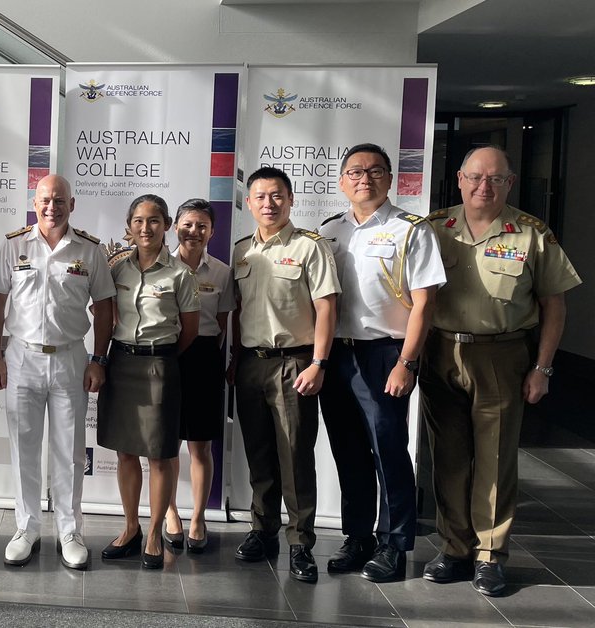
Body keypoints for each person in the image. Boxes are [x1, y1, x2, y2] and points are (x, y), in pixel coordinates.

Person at [420, 146, 581, 597]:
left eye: (494, 179)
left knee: (494, 457)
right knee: (448, 456)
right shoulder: (433, 229)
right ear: (459, 179)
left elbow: (555, 306)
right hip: (442, 352)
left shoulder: (531, 234)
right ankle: (454, 548)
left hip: (503, 355)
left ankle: (490, 554)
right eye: (475, 177)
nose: (483, 187)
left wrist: (542, 368)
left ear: (509, 182)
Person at [316, 143, 445, 582]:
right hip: (335, 355)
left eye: (374, 171)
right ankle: (358, 537)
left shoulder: (411, 229)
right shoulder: (329, 231)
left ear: (390, 179)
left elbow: (425, 304)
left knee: (389, 449)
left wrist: (407, 363)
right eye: (354, 171)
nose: (363, 178)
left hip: (384, 354)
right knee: (348, 450)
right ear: (341, 180)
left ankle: (394, 543)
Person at [0, 174, 114, 571]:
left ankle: (69, 531)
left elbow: (106, 309)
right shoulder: (13, 245)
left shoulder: (90, 251)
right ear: (34, 202)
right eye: (45, 199)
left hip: (70, 358)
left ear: (72, 205)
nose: (51, 207)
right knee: (24, 448)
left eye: (59, 200)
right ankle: (26, 528)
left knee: (70, 452)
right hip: (22, 357)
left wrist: (99, 359)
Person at [231, 166, 340, 583]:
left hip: (295, 363)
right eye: (259, 197)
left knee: (295, 457)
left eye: (276, 196)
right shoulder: (243, 251)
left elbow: (327, 307)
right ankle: (263, 531)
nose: (268, 204)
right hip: (251, 364)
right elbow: (237, 312)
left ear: (290, 199)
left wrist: (319, 362)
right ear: (249, 203)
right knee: (259, 454)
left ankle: (300, 543)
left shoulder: (310, 247)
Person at [97, 194, 199, 570]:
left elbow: (187, 331)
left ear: (167, 225)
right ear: (128, 227)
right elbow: (105, 318)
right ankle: (130, 528)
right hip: (121, 363)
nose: (145, 228)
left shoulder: (180, 275)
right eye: (138, 221)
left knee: (159, 455)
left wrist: (160, 354)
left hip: (160, 365)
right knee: (125, 452)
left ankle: (155, 532)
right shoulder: (117, 270)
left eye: (154, 220)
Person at [161, 199, 235, 554]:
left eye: (202, 226)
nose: (194, 231)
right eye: (188, 224)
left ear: (212, 232)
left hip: (204, 358)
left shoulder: (221, 272)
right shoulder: (160, 265)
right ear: (175, 227)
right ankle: (170, 512)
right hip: (166, 355)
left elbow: (222, 325)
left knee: (200, 445)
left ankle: (198, 517)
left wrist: (213, 358)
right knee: (167, 444)